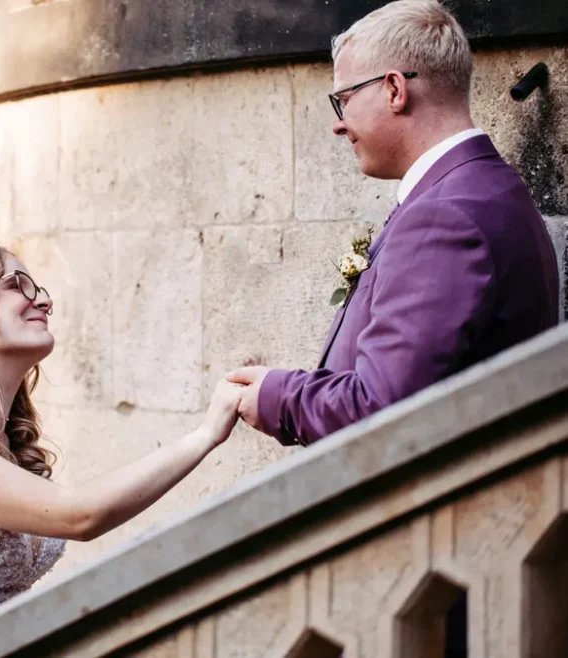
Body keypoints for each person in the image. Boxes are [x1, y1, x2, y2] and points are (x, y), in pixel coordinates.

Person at [227, 2, 560, 656]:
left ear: (393, 89)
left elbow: (381, 408)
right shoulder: (478, 191)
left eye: (341, 98)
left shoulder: (449, 214)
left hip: (441, 587)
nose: (335, 124)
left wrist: (271, 395)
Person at [0, 243, 245, 630]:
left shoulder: (0, 443)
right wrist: (205, 435)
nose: (42, 300)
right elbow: (79, 514)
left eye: (38, 287)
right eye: (16, 283)